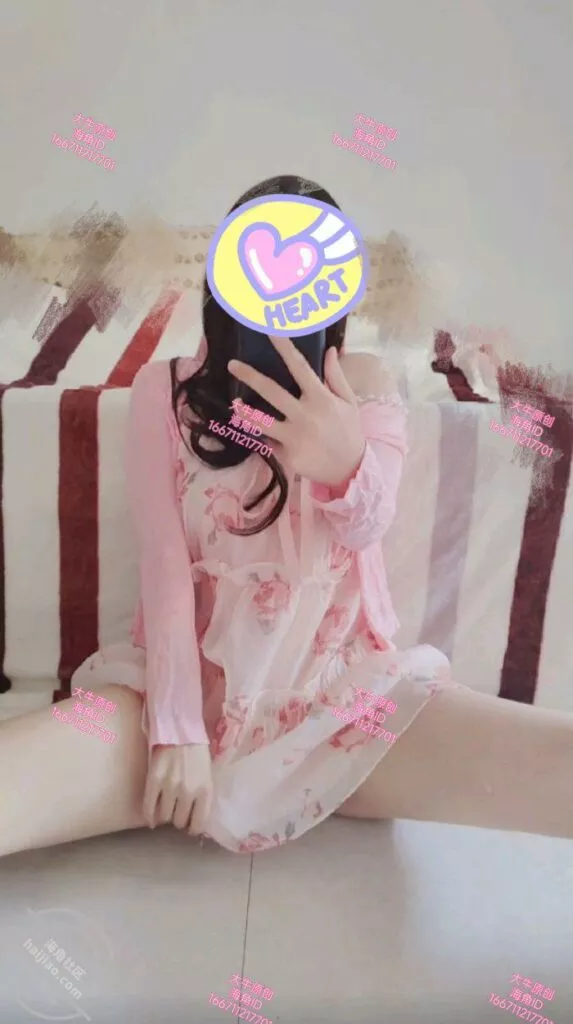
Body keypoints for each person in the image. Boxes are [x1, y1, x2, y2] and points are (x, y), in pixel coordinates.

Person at [2, 174, 572, 860]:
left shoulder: (365, 383)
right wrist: (177, 729)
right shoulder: (165, 389)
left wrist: (343, 462)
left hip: (344, 706)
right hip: (173, 698)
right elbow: (163, 564)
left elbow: (367, 528)